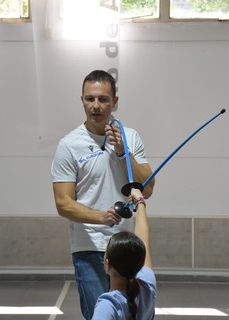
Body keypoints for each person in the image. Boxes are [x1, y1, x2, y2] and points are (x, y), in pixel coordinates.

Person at [51, 70, 155, 320]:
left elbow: (147, 189)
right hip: (89, 247)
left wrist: (122, 152)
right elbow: (63, 203)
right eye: (90, 99)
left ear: (115, 101)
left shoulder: (130, 137)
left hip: (128, 247)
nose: (95, 106)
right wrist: (101, 217)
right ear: (82, 100)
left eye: (103, 99)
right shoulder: (69, 144)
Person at [92, 187, 157, 320]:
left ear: (107, 263)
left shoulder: (107, 306)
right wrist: (139, 200)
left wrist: (140, 201)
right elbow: (143, 240)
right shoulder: (147, 287)